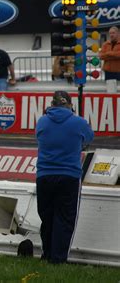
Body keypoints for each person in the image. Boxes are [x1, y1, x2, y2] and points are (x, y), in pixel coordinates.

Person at [36, 90, 94, 264]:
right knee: (65, 218)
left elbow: (39, 138)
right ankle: (59, 259)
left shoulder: (42, 121)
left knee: (47, 217)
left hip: (44, 174)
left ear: (52, 104)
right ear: (70, 104)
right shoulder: (78, 122)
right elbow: (89, 138)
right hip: (69, 174)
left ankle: (46, 253)